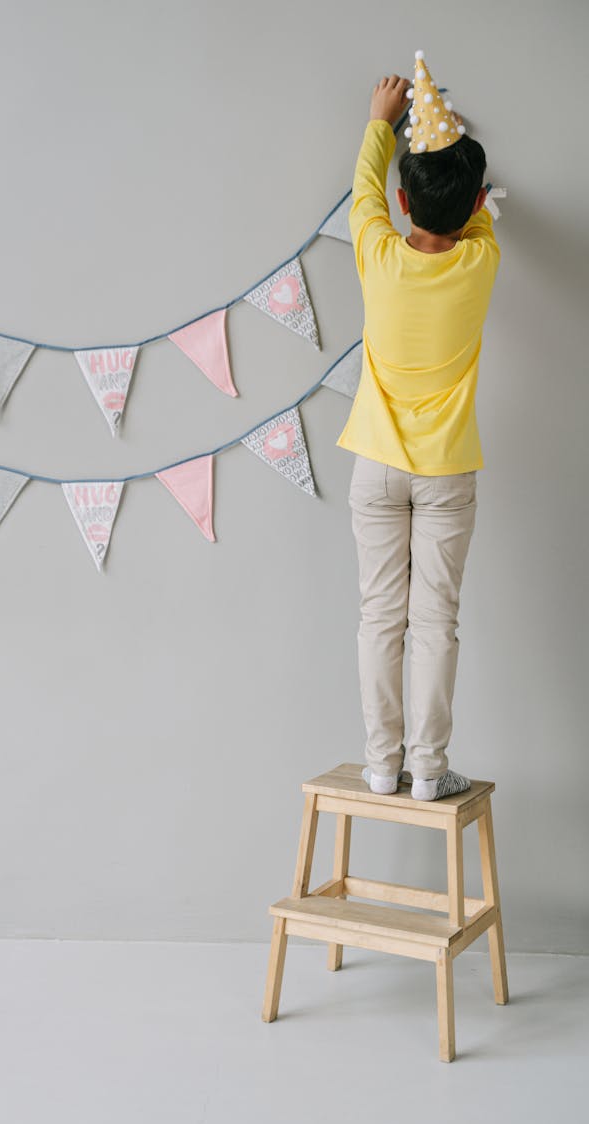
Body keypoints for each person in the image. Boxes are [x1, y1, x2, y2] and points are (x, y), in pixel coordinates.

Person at [336, 51, 500, 801]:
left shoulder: (375, 253)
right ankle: (429, 772)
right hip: (444, 473)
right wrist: (462, 185)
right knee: (437, 624)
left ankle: (380, 764)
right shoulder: (480, 264)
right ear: (472, 210)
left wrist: (380, 124)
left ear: (403, 204)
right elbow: (478, 219)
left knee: (381, 619)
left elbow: (362, 194)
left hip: (375, 465)